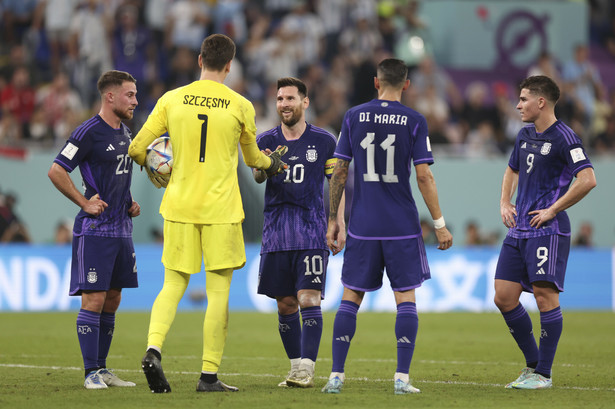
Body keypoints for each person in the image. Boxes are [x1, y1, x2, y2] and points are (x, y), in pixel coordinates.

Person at [127, 33, 287, 394]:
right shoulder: (239, 105)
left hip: (179, 205)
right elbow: (254, 160)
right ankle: (208, 376)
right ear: (229, 66)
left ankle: (153, 350)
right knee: (218, 293)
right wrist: (273, 163)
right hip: (221, 210)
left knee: (173, 285)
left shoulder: (171, 99)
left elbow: (138, 147)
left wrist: (159, 172)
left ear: (200, 60)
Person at [323, 58, 453, 395]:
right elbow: (424, 175)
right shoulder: (414, 120)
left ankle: (336, 376)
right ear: (406, 85)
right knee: (405, 299)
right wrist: (439, 224)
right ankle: (401, 379)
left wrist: (334, 220)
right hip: (401, 225)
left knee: (350, 297)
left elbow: (338, 171)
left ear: (376, 83)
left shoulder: (353, 116)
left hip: (362, 224)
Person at [494, 75, 596, 390]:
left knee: (544, 297)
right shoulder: (524, 135)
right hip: (518, 229)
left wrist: (553, 209)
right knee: (504, 297)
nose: (518, 104)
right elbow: (512, 169)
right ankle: (533, 364)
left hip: (547, 229)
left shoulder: (566, 137)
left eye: (523, 99)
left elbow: (588, 179)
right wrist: (504, 202)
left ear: (541, 102)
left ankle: (544, 374)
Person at [47, 70, 141, 389]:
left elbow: (117, 176)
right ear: (110, 96)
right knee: (94, 300)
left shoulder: (126, 133)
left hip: (121, 231)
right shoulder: (87, 132)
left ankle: (102, 369)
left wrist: (129, 201)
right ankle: (90, 374)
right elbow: (57, 170)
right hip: (95, 231)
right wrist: (84, 203)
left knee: (113, 299)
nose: (135, 100)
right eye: (130, 94)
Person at [253, 77, 346, 388]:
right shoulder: (266, 139)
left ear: (305, 102)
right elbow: (255, 176)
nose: (284, 104)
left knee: (309, 298)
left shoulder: (323, 140)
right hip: (276, 232)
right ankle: (294, 367)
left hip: (310, 231)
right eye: (280, 99)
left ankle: (307, 367)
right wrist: (267, 164)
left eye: (290, 98)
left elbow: (336, 182)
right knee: (285, 304)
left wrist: (337, 221)